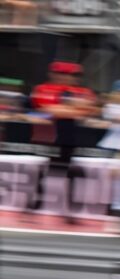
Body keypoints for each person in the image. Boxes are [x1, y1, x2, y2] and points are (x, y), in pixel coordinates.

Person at [28, 61, 96, 222]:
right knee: (47, 172)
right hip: (51, 136)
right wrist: (73, 108)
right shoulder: (42, 89)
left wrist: (68, 109)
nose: (68, 78)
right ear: (53, 74)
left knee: (69, 173)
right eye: (63, 74)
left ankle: (64, 210)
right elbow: (49, 110)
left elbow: (89, 110)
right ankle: (35, 206)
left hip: (71, 137)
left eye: (73, 75)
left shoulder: (84, 91)